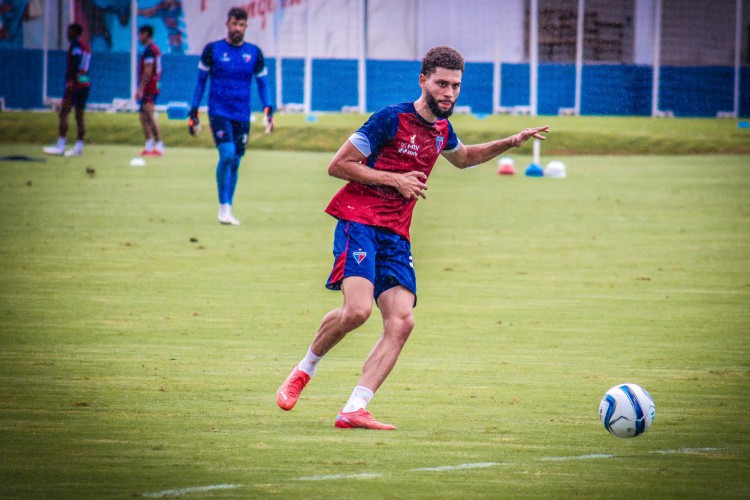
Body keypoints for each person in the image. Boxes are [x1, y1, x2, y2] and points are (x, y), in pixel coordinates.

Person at [276, 46, 550, 430]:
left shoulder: (442, 129)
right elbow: (338, 165)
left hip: (396, 236)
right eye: (442, 83)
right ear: (423, 80)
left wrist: (510, 141)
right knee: (356, 312)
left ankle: (354, 408)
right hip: (359, 222)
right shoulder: (390, 119)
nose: (449, 93)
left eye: (455, 85)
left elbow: (465, 157)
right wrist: (395, 179)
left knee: (402, 322)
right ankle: (305, 370)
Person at [188, 7, 274, 226]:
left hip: (242, 115)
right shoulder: (213, 50)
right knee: (227, 154)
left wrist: (268, 109)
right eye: (234, 24)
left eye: (241, 24)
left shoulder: (254, 53)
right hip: (218, 112)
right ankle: (221, 207)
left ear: (246, 26)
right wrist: (194, 111)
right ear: (227, 24)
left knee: (236, 161)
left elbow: (263, 84)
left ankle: (228, 208)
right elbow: (200, 82)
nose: (237, 28)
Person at [43, 23, 91, 157]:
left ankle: (61, 145)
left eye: (69, 31)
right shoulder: (86, 46)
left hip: (75, 83)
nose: (67, 33)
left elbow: (76, 61)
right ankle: (78, 147)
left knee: (64, 113)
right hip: (85, 82)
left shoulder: (75, 45)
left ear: (75, 32)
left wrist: (70, 79)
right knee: (79, 116)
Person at [136, 25, 164, 157]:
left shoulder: (150, 50)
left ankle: (159, 147)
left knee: (150, 116)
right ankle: (148, 146)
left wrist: (140, 89)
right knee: (143, 116)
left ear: (146, 34)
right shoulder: (152, 49)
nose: (139, 37)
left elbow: (148, 70)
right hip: (151, 86)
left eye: (140, 34)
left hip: (149, 87)